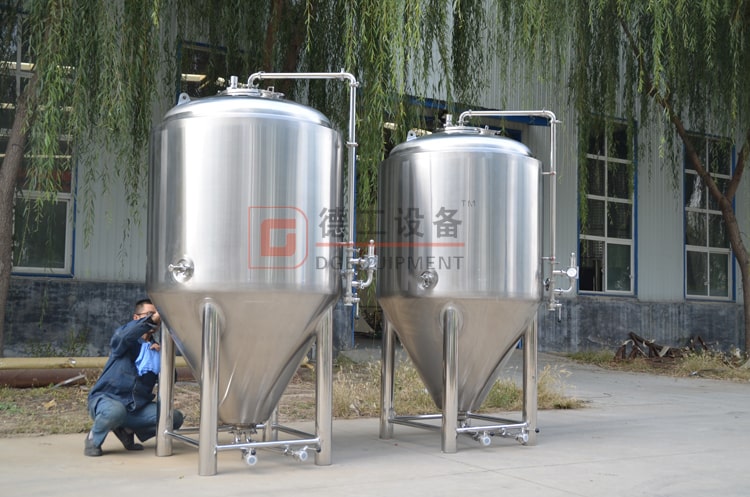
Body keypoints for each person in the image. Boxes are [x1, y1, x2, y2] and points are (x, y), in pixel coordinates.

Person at [84, 298, 184, 456]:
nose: (156, 319)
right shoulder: (125, 342)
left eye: (158, 316)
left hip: (136, 407)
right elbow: (122, 337)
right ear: (136, 318)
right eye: (150, 314)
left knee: (174, 417)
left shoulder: (155, 348)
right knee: (115, 411)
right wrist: (151, 319)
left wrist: (163, 358)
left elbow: (172, 380)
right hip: (108, 400)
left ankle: (126, 429)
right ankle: (93, 439)